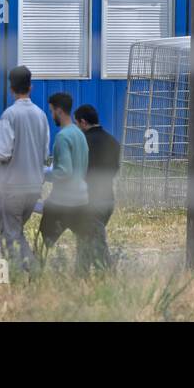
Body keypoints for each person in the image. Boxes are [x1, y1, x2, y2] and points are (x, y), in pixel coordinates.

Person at [0, 65, 50, 272]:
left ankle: (26, 273)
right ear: (31, 87)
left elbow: (2, 153)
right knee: (14, 232)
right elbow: (45, 153)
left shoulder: (9, 115)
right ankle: (22, 275)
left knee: (9, 235)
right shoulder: (41, 115)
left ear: (11, 88)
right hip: (34, 187)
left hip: (13, 188)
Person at [38, 92, 97, 273]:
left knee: (42, 246)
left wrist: (42, 174)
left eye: (51, 111)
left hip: (62, 203)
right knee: (85, 244)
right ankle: (82, 280)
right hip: (82, 200)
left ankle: (35, 278)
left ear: (59, 111)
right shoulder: (80, 135)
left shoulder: (63, 137)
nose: (51, 116)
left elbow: (64, 172)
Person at [74, 104, 120, 269]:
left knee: (96, 244)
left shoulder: (83, 142)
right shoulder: (113, 141)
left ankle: (109, 276)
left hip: (89, 201)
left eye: (77, 124)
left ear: (83, 122)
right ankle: (80, 277)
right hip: (107, 199)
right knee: (85, 239)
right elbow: (114, 170)